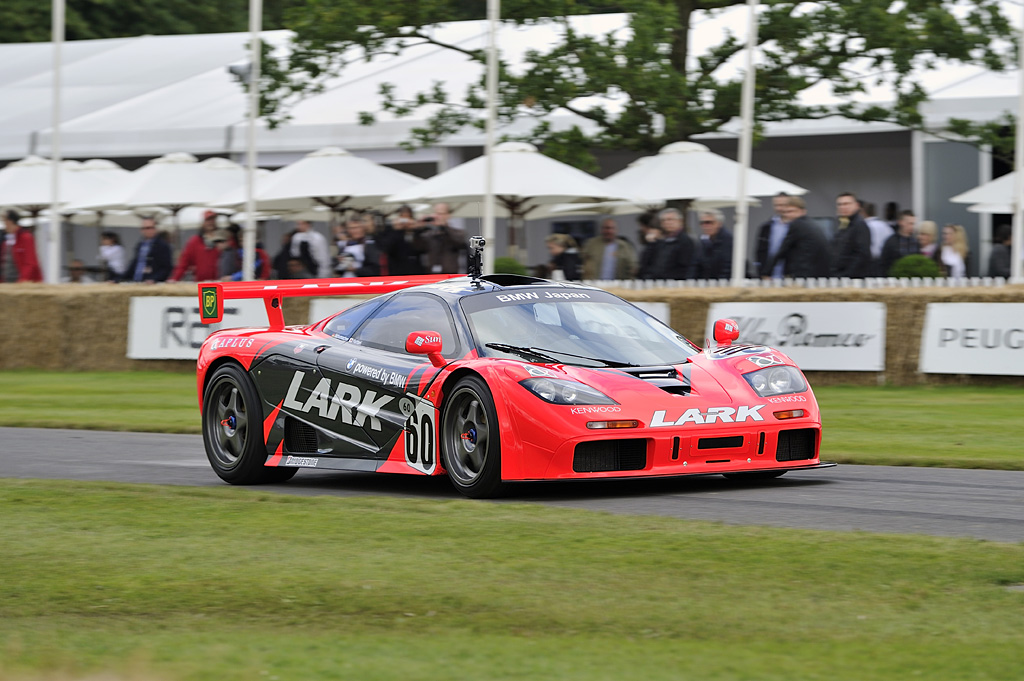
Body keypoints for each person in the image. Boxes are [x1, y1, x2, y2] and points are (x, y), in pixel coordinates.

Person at [761, 195, 831, 279]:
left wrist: (766, 272)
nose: (787, 215)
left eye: (791, 211)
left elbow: (782, 250)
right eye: (785, 212)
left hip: (804, 274)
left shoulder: (797, 225)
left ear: (802, 212)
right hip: (818, 273)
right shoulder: (810, 224)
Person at [641, 208, 694, 280]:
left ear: (680, 221)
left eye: (670, 219)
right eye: (664, 220)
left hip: (675, 284)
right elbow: (646, 262)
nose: (667, 222)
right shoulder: (660, 241)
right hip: (656, 283)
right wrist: (651, 243)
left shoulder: (685, 241)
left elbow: (685, 267)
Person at [170, 210, 220, 282]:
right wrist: (174, 279)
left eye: (213, 219)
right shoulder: (195, 241)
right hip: (201, 282)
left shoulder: (223, 239)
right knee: (208, 293)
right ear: (203, 222)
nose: (211, 222)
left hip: (220, 282)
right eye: (208, 220)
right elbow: (184, 262)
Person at [831, 192, 872, 278]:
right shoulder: (843, 224)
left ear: (856, 205)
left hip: (852, 278)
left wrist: (846, 275)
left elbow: (862, 255)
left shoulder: (859, 225)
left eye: (846, 204)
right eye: (840, 204)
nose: (843, 207)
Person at [379, 205, 427, 275]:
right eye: (403, 219)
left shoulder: (417, 232)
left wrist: (415, 230)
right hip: (398, 270)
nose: (405, 222)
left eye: (407, 218)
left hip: (416, 269)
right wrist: (397, 230)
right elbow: (387, 249)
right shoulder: (391, 231)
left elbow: (422, 248)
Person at [421, 203, 467, 274]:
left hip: (450, 271)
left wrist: (444, 227)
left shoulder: (457, 232)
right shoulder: (429, 233)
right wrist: (419, 227)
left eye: (441, 214)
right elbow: (418, 247)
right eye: (436, 213)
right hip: (431, 271)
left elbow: (458, 243)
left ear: (448, 215)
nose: (438, 217)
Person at [754, 193, 791, 278]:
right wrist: (762, 272)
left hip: (788, 273)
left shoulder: (795, 226)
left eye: (782, 205)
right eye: (776, 205)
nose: (779, 208)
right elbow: (760, 251)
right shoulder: (766, 227)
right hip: (770, 274)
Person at [1, 209, 43, 283]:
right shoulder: (6, 240)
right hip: (7, 282)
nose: (4, 225)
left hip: (21, 283)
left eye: (4, 221)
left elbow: (30, 263)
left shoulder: (25, 237)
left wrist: (22, 281)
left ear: (9, 221)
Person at [128, 217, 172, 283]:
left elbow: (166, 268)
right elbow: (134, 265)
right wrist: (118, 279)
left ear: (155, 229)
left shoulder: (162, 245)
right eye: (144, 228)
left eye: (150, 228)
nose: (147, 231)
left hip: (151, 283)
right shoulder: (140, 245)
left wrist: (154, 279)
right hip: (137, 281)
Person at [335, 213, 381, 277]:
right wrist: (339, 263)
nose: (354, 231)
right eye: (351, 228)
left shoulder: (370, 244)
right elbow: (338, 268)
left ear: (363, 228)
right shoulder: (344, 245)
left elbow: (375, 269)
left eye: (356, 228)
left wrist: (355, 270)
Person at [695, 209, 733, 280]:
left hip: (722, 283)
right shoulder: (703, 240)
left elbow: (728, 265)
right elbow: (695, 264)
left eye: (709, 222)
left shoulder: (727, 240)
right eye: (702, 223)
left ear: (719, 223)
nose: (705, 226)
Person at [880, 210, 920, 276]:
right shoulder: (891, 242)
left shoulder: (915, 242)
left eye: (913, 224)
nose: (912, 227)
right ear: (901, 222)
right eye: (910, 223)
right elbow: (884, 263)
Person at [862, 201, 894, 275]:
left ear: (863, 212)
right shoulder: (886, 226)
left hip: (869, 263)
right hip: (884, 262)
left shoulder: (864, 227)